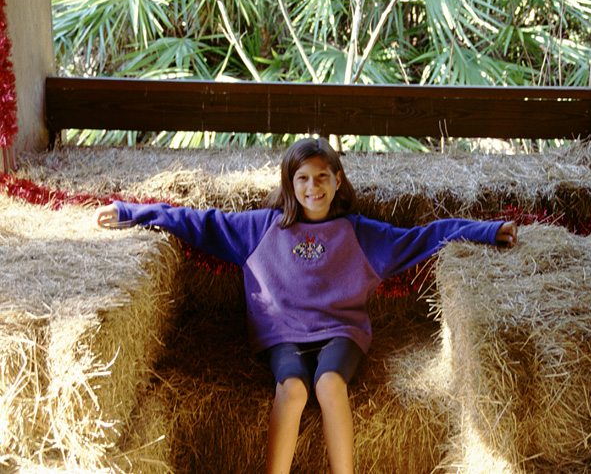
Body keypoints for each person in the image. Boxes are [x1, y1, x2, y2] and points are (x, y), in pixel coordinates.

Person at [95, 137, 517, 474]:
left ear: (336, 180)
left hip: (340, 331)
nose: (312, 187)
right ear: (289, 185)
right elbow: (198, 222)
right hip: (284, 336)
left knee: (330, 384)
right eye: (302, 179)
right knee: (293, 389)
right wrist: (131, 212)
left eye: (321, 177)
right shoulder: (261, 228)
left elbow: (426, 236)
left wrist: (488, 230)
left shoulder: (361, 234)